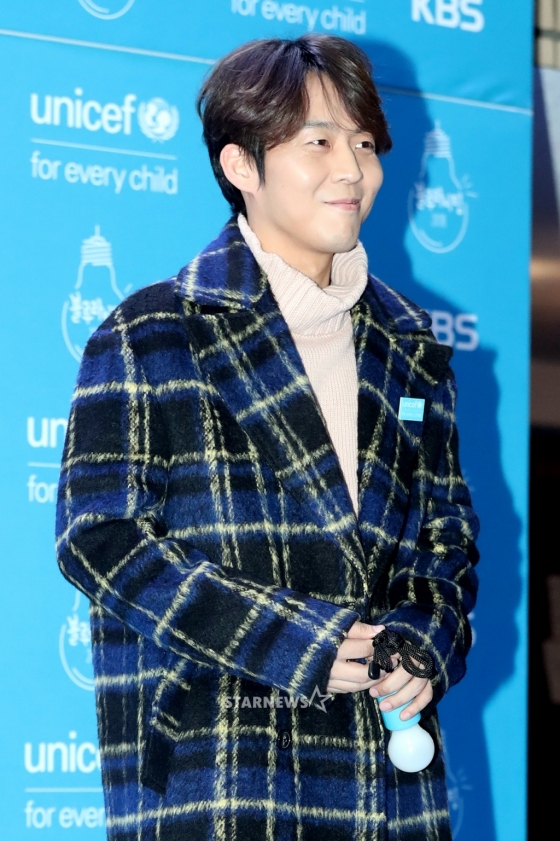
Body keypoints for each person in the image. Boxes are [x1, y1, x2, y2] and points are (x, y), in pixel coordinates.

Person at [56, 33, 479, 841]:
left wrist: (424, 643)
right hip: (224, 772)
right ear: (240, 165)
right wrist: (298, 641)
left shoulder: (410, 346)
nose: (351, 169)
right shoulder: (152, 331)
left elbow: (446, 538)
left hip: (389, 781)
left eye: (364, 143)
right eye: (318, 142)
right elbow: (101, 539)